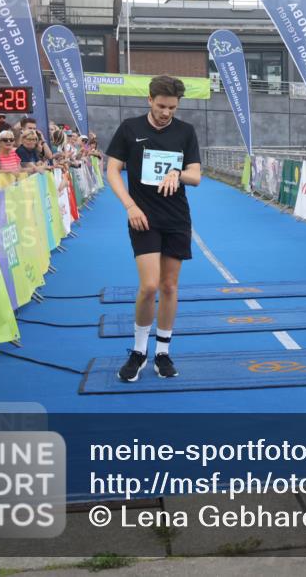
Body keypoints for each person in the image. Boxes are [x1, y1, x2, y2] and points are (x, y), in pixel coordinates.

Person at [106, 75, 201, 382]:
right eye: (161, 106)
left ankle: (162, 352)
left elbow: (196, 175)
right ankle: (138, 351)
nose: (166, 113)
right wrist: (129, 206)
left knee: (170, 286)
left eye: (172, 107)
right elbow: (112, 169)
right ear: (149, 100)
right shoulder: (130, 128)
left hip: (176, 218)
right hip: (143, 217)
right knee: (148, 286)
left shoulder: (185, 132)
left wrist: (178, 173)